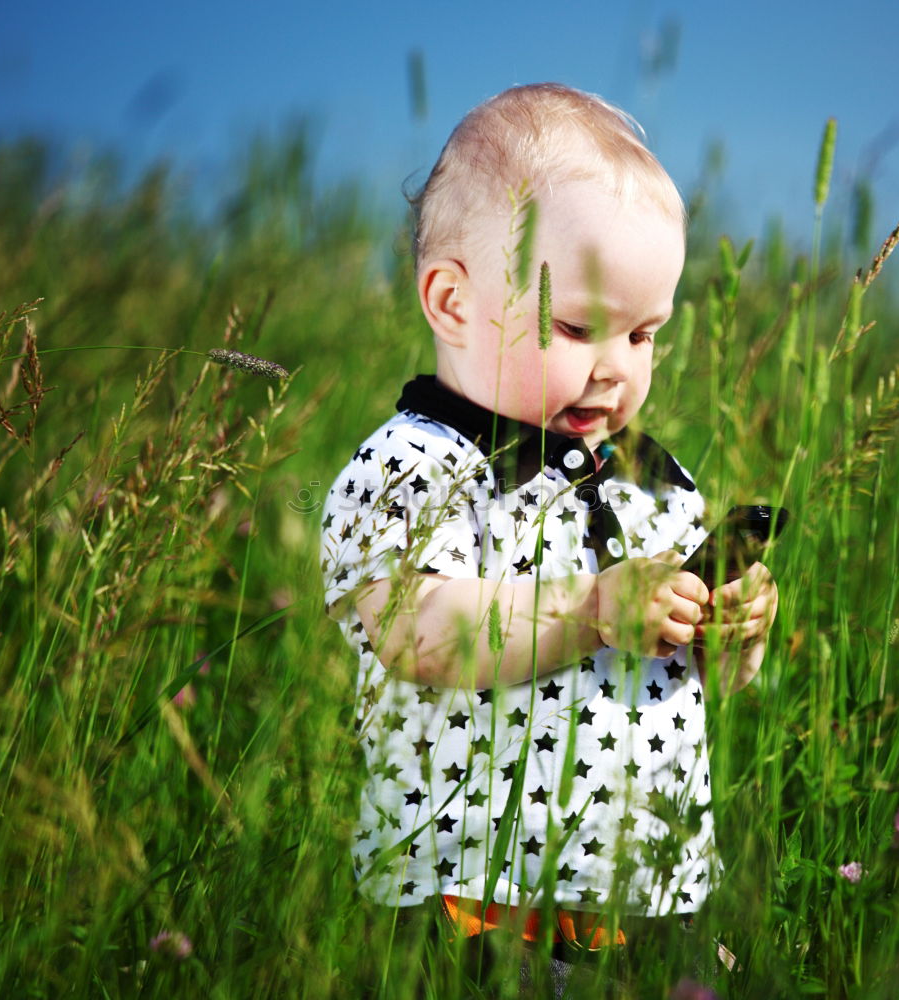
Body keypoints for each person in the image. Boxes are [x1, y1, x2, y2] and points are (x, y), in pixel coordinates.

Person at [320, 82, 777, 994]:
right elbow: (416, 631)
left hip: (647, 899)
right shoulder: (414, 468)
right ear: (451, 302)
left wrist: (731, 632)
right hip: (471, 896)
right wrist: (595, 607)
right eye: (576, 327)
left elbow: (700, 681)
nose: (616, 369)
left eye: (646, 335)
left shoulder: (656, 479)